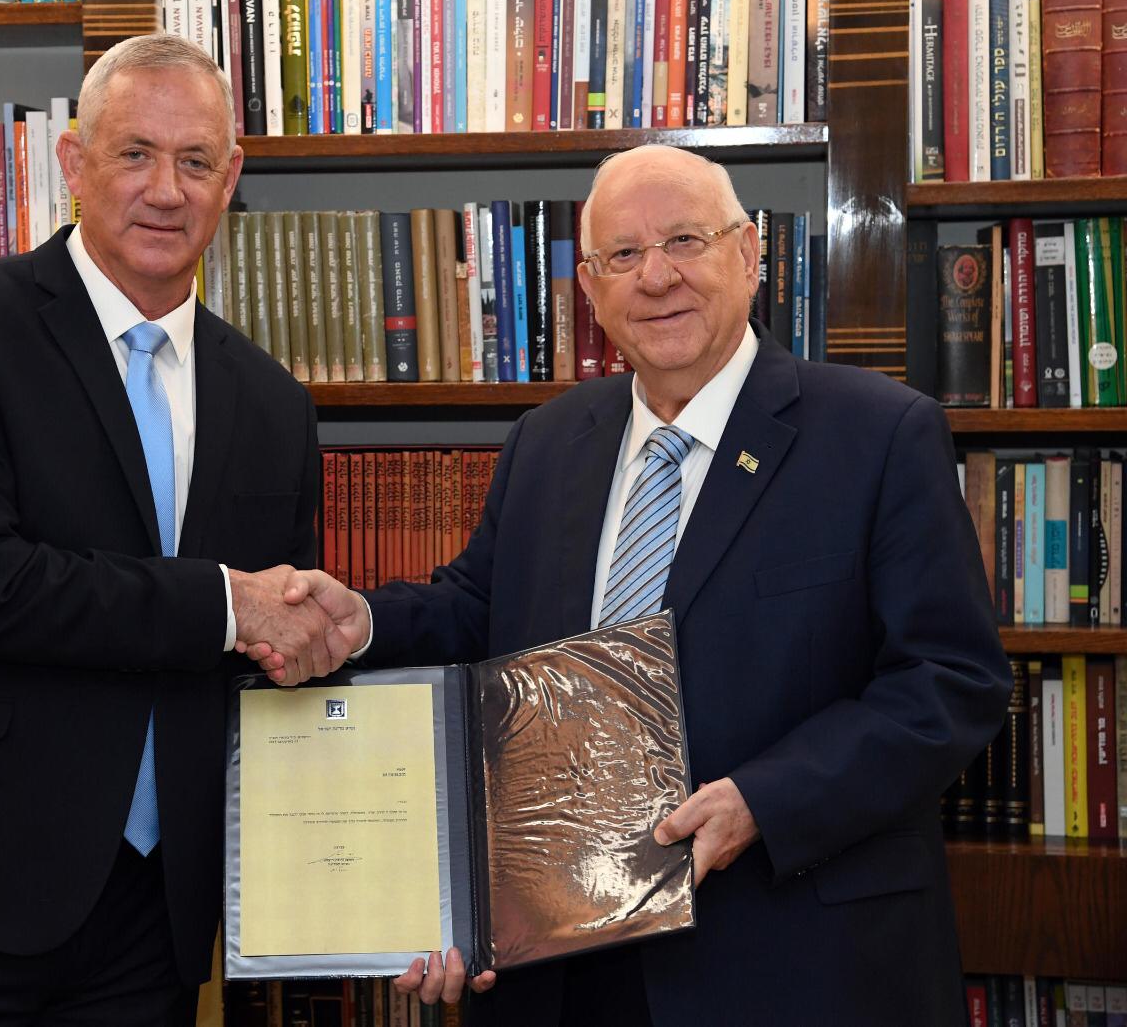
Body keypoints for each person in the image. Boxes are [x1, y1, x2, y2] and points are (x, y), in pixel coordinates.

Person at [259, 144, 1011, 1025]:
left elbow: (950, 684)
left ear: (750, 256)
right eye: (623, 255)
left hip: (789, 956)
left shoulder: (879, 434)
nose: (657, 277)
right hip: (562, 963)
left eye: (686, 240)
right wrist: (362, 624)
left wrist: (761, 802)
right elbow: (477, 611)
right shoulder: (548, 440)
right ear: (590, 288)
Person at [0, 33, 350, 1025]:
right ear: (73, 162)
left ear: (231, 178)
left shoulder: (274, 405)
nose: (165, 191)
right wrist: (233, 605)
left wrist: (325, 636)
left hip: (150, 917)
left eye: (195, 162)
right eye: (134, 153)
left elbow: (260, 654)